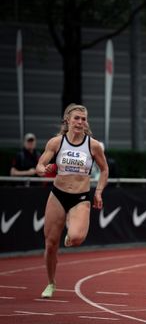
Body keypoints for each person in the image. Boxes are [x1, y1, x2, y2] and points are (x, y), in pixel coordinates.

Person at [35, 104, 109, 298]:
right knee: (51, 244)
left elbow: (104, 169)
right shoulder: (56, 142)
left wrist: (99, 192)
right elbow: (40, 165)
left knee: (76, 238)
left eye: (83, 119)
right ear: (67, 120)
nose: (80, 122)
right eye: (77, 118)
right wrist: (43, 169)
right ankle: (51, 283)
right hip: (58, 195)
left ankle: (70, 234)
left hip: (81, 197)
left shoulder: (92, 145)